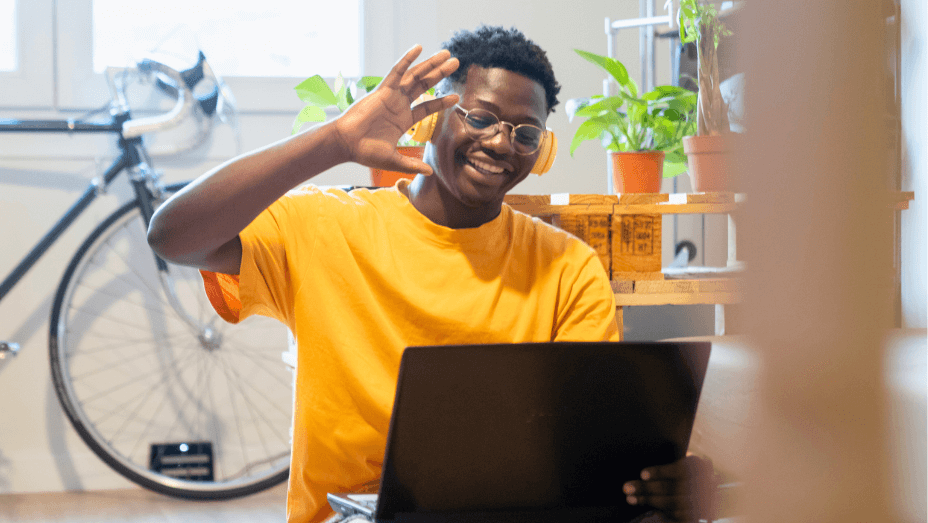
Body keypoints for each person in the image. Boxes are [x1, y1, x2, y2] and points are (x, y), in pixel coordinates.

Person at [148, 25, 715, 523]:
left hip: (515, 511)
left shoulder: (568, 267)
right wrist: (335, 142)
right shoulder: (323, 226)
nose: (501, 143)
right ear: (431, 119)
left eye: (525, 134)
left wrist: (672, 485)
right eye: (483, 118)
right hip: (357, 514)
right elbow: (173, 237)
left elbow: (585, 445)